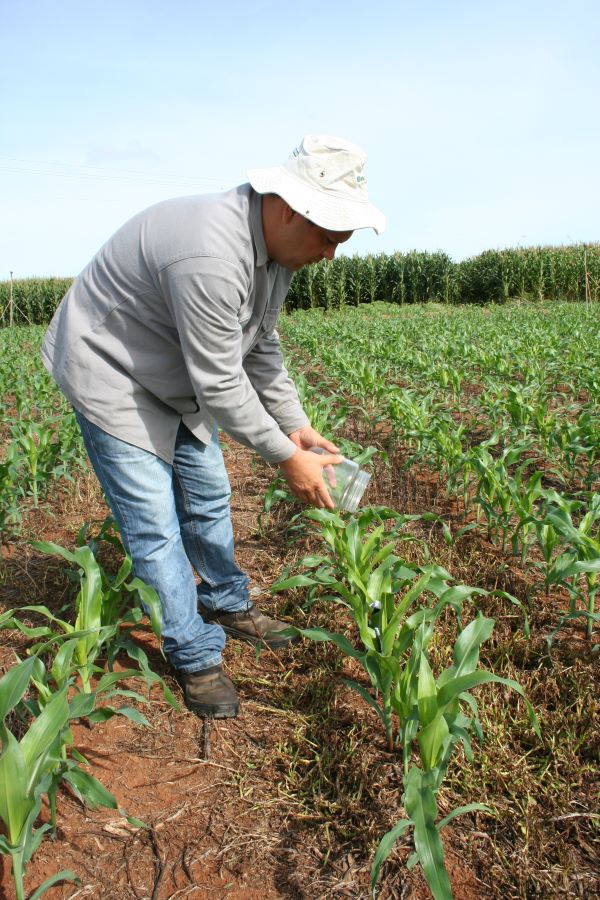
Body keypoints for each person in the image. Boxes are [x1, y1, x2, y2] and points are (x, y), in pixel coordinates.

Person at [41, 134, 386, 718]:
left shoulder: (276, 254)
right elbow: (222, 384)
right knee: (155, 529)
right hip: (114, 371)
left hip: (173, 370)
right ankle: (194, 654)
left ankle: (226, 602)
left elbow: (261, 349)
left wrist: (296, 427)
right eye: (328, 238)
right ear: (285, 208)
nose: (331, 254)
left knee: (209, 495)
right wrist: (284, 457)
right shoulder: (210, 253)